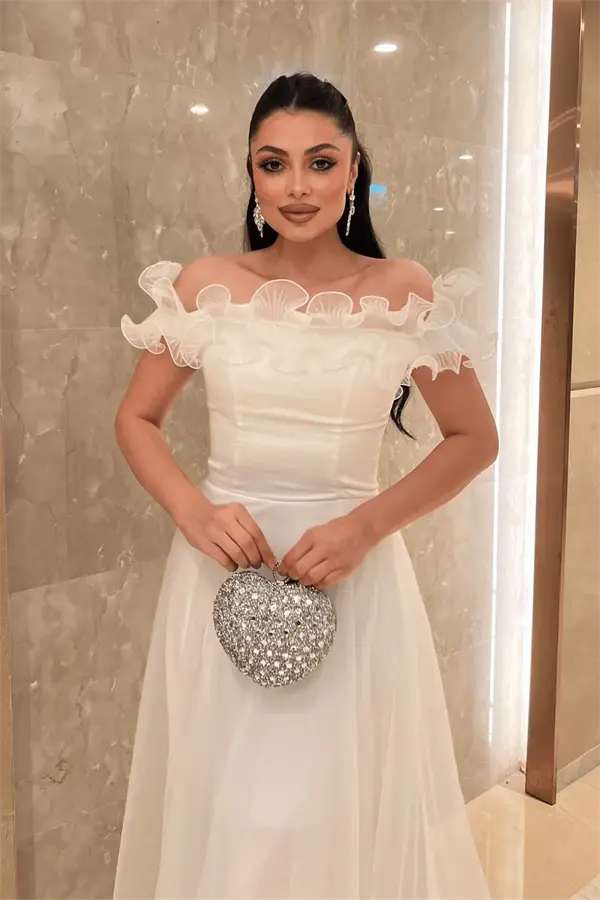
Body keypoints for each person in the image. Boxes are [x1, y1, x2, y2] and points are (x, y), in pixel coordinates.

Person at [113, 72, 497, 900]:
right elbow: (136, 419)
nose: (296, 186)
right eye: (273, 163)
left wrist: (365, 527)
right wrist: (191, 509)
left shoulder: (403, 291)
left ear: (354, 170)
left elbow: (475, 439)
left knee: (332, 809)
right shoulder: (207, 286)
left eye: (320, 162)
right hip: (220, 578)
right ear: (250, 173)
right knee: (233, 810)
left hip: (353, 585)